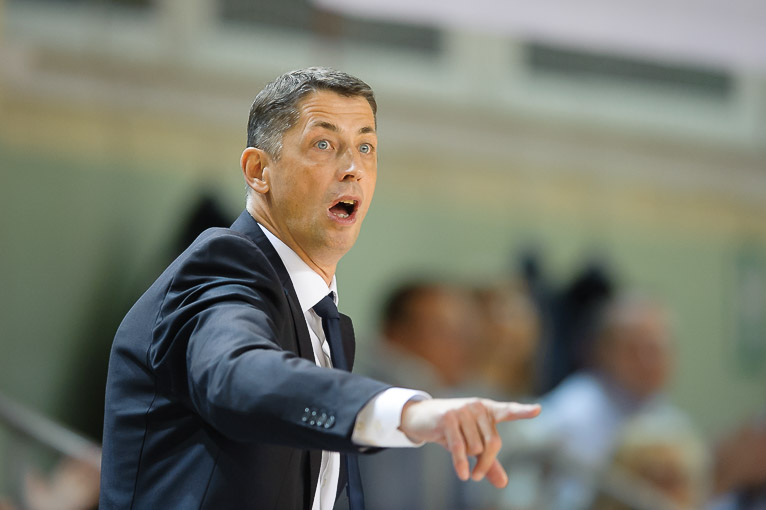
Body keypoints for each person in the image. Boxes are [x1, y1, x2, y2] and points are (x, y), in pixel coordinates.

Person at [99, 67, 541, 510]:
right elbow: (238, 374)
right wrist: (405, 411)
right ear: (258, 170)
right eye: (324, 144)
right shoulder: (222, 267)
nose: (353, 169)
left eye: (365, 147)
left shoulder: (320, 314)